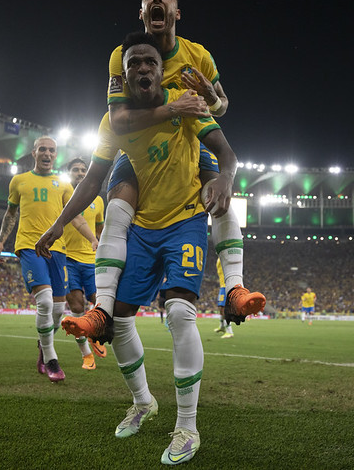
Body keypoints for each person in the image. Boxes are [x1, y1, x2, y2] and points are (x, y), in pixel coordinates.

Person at [36, 32, 242, 465]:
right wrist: (56, 225)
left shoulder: (183, 100)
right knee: (121, 324)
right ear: (123, 76)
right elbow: (92, 180)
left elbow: (224, 147)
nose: (143, 68)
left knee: (181, 312)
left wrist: (225, 176)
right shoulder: (115, 121)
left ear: (159, 68)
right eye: (134, 65)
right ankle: (143, 401)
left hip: (184, 219)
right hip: (143, 230)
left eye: (150, 62)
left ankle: (187, 426)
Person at [64, 0, 263, 343]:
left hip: (186, 138)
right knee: (117, 203)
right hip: (137, 146)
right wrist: (173, 106)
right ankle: (103, 309)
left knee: (216, 192)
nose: (157, 0)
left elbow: (222, 106)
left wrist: (210, 99)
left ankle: (234, 288)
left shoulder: (198, 55)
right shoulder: (119, 56)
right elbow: (118, 120)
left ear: (176, 12)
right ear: (141, 13)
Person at [0, 135, 98, 383]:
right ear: (34, 153)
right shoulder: (19, 181)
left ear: (56, 154)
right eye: (43, 149)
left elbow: (77, 218)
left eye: (51, 150)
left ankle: (42, 344)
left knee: (59, 308)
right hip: (29, 246)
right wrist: (0, 241)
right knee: (46, 302)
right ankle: (51, 358)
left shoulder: (63, 185)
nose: (47, 154)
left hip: (57, 250)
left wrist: (93, 239)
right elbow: (10, 214)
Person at [62, 157, 107, 369]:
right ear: (68, 173)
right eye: (75, 170)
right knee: (77, 307)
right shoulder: (62, 195)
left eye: (83, 170)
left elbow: (100, 228)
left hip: (91, 261)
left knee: (100, 303)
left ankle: (94, 335)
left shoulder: (98, 200)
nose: (80, 173)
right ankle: (86, 355)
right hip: (67, 258)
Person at [213, 260, 234, 339]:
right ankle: (222, 326)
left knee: (224, 308)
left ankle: (229, 331)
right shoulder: (219, 258)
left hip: (226, 286)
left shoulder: (224, 258)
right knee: (221, 308)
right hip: (222, 286)